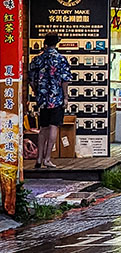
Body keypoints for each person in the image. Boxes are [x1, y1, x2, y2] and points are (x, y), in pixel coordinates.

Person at [30, 33, 72, 168]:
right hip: (57, 97)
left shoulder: (37, 59)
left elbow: (31, 80)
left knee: (43, 128)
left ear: (45, 43)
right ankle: (47, 158)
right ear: (57, 43)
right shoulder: (61, 59)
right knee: (54, 127)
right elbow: (65, 80)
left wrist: (36, 92)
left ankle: (38, 159)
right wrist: (65, 97)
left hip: (42, 98)